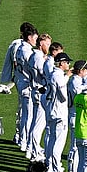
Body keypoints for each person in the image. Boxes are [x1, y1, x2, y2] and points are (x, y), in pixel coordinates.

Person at [45, 52, 72, 172]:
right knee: (58, 142)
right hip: (59, 113)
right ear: (61, 63)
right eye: (67, 62)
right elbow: (63, 96)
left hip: (51, 110)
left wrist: (67, 76)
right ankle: (56, 169)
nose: (68, 64)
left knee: (51, 140)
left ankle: (49, 165)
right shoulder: (58, 75)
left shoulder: (53, 73)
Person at [26, 33, 52, 162]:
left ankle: (31, 148)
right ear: (41, 44)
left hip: (36, 90)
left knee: (36, 122)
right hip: (39, 90)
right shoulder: (37, 56)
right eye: (47, 44)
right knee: (39, 124)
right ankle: (35, 152)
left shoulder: (35, 55)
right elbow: (43, 72)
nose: (49, 46)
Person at [14, 26, 39, 151]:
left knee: (25, 114)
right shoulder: (27, 51)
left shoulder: (19, 48)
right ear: (29, 37)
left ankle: (22, 139)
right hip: (26, 85)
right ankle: (25, 141)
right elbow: (33, 68)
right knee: (28, 116)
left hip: (20, 82)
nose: (36, 40)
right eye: (35, 38)